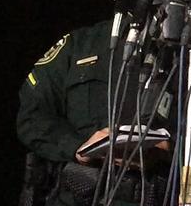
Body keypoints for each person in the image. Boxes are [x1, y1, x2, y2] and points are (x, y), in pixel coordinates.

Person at [17, 21, 170, 206]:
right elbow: (31, 116)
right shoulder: (80, 44)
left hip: (157, 193)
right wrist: (77, 147)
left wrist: (171, 147)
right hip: (80, 195)